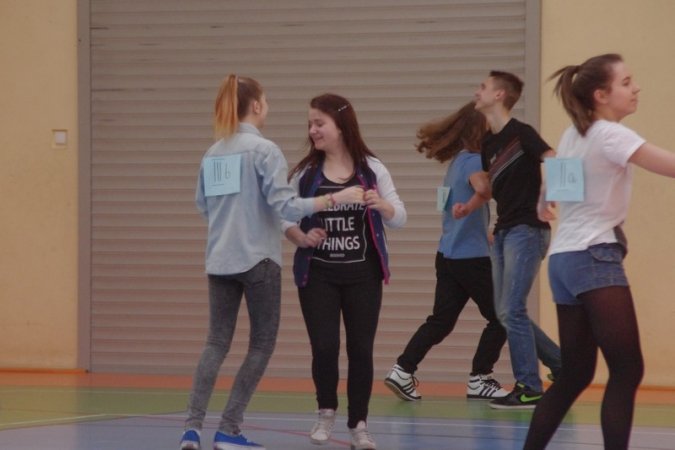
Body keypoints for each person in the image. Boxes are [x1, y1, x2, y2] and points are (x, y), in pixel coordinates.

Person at [180, 76, 365, 450]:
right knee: (261, 345)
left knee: (216, 343)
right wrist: (334, 199)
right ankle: (229, 429)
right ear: (257, 106)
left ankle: (191, 429)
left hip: (220, 259)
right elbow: (288, 207)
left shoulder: (213, 153)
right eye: (266, 101)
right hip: (258, 261)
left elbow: (203, 206)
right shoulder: (264, 150)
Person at [525, 53, 675, 450]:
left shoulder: (575, 133)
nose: (636, 88)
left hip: (564, 261)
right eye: (626, 82)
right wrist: (545, 198)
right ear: (601, 95)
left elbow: (555, 181)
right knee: (627, 370)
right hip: (594, 257)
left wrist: (543, 200)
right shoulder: (611, 134)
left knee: (575, 374)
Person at [283, 93, 406, 450]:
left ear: (341, 126)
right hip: (318, 275)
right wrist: (301, 237)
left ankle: (359, 424)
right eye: (310, 124)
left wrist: (381, 205)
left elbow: (399, 216)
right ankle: (325, 412)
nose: (312, 130)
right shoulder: (306, 174)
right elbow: (283, 215)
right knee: (324, 346)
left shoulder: (372, 169)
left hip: (363, 276)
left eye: (319, 123)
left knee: (360, 349)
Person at [384, 101, 509, 402]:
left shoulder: (458, 161)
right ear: (480, 129)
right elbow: (484, 189)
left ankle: (403, 369)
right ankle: (480, 377)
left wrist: (482, 228)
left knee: (441, 321)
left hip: (448, 257)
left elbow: (462, 203)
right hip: (471, 259)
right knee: (503, 317)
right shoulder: (473, 162)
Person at [461, 70, 562, 410]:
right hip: (504, 231)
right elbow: (497, 188)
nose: (477, 91)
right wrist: (478, 209)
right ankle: (561, 365)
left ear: (500, 95)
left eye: (483, 86)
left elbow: (555, 159)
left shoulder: (522, 133)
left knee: (512, 309)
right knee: (505, 312)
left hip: (528, 230)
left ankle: (529, 387)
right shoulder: (488, 144)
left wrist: (549, 195)